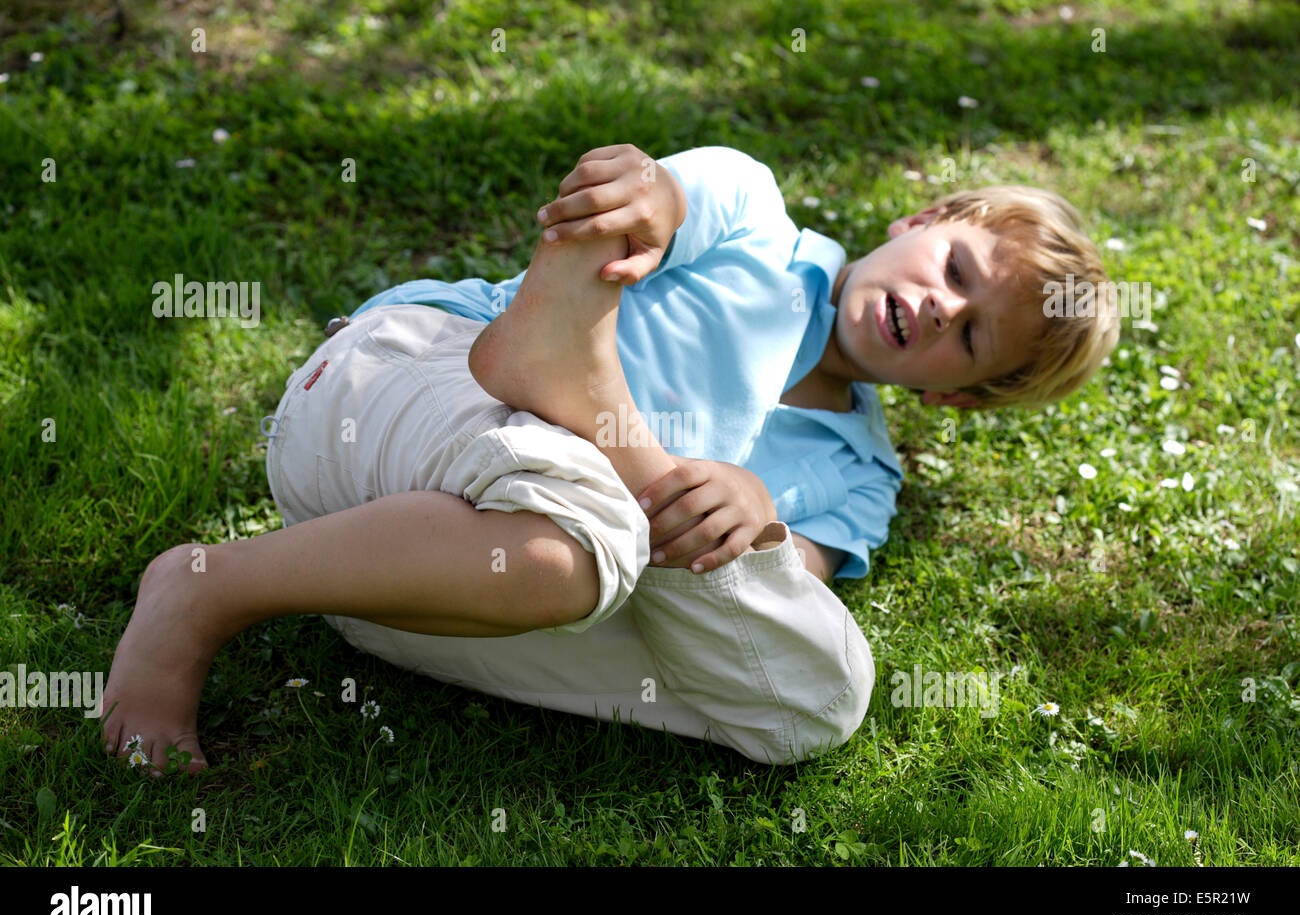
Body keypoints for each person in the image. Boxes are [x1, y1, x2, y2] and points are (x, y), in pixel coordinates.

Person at [100, 144, 1116, 772]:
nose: (941, 306)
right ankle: (205, 588)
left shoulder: (860, 478)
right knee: (585, 536)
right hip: (416, 386)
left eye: (970, 334)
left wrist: (748, 506)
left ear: (950, 393)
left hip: (448, 588)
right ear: (920, 221)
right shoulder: (752, 215)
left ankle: (592, 402)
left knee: (819, 696)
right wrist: (648, 196)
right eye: (953, 269)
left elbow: (762, 601)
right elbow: (659, 199)